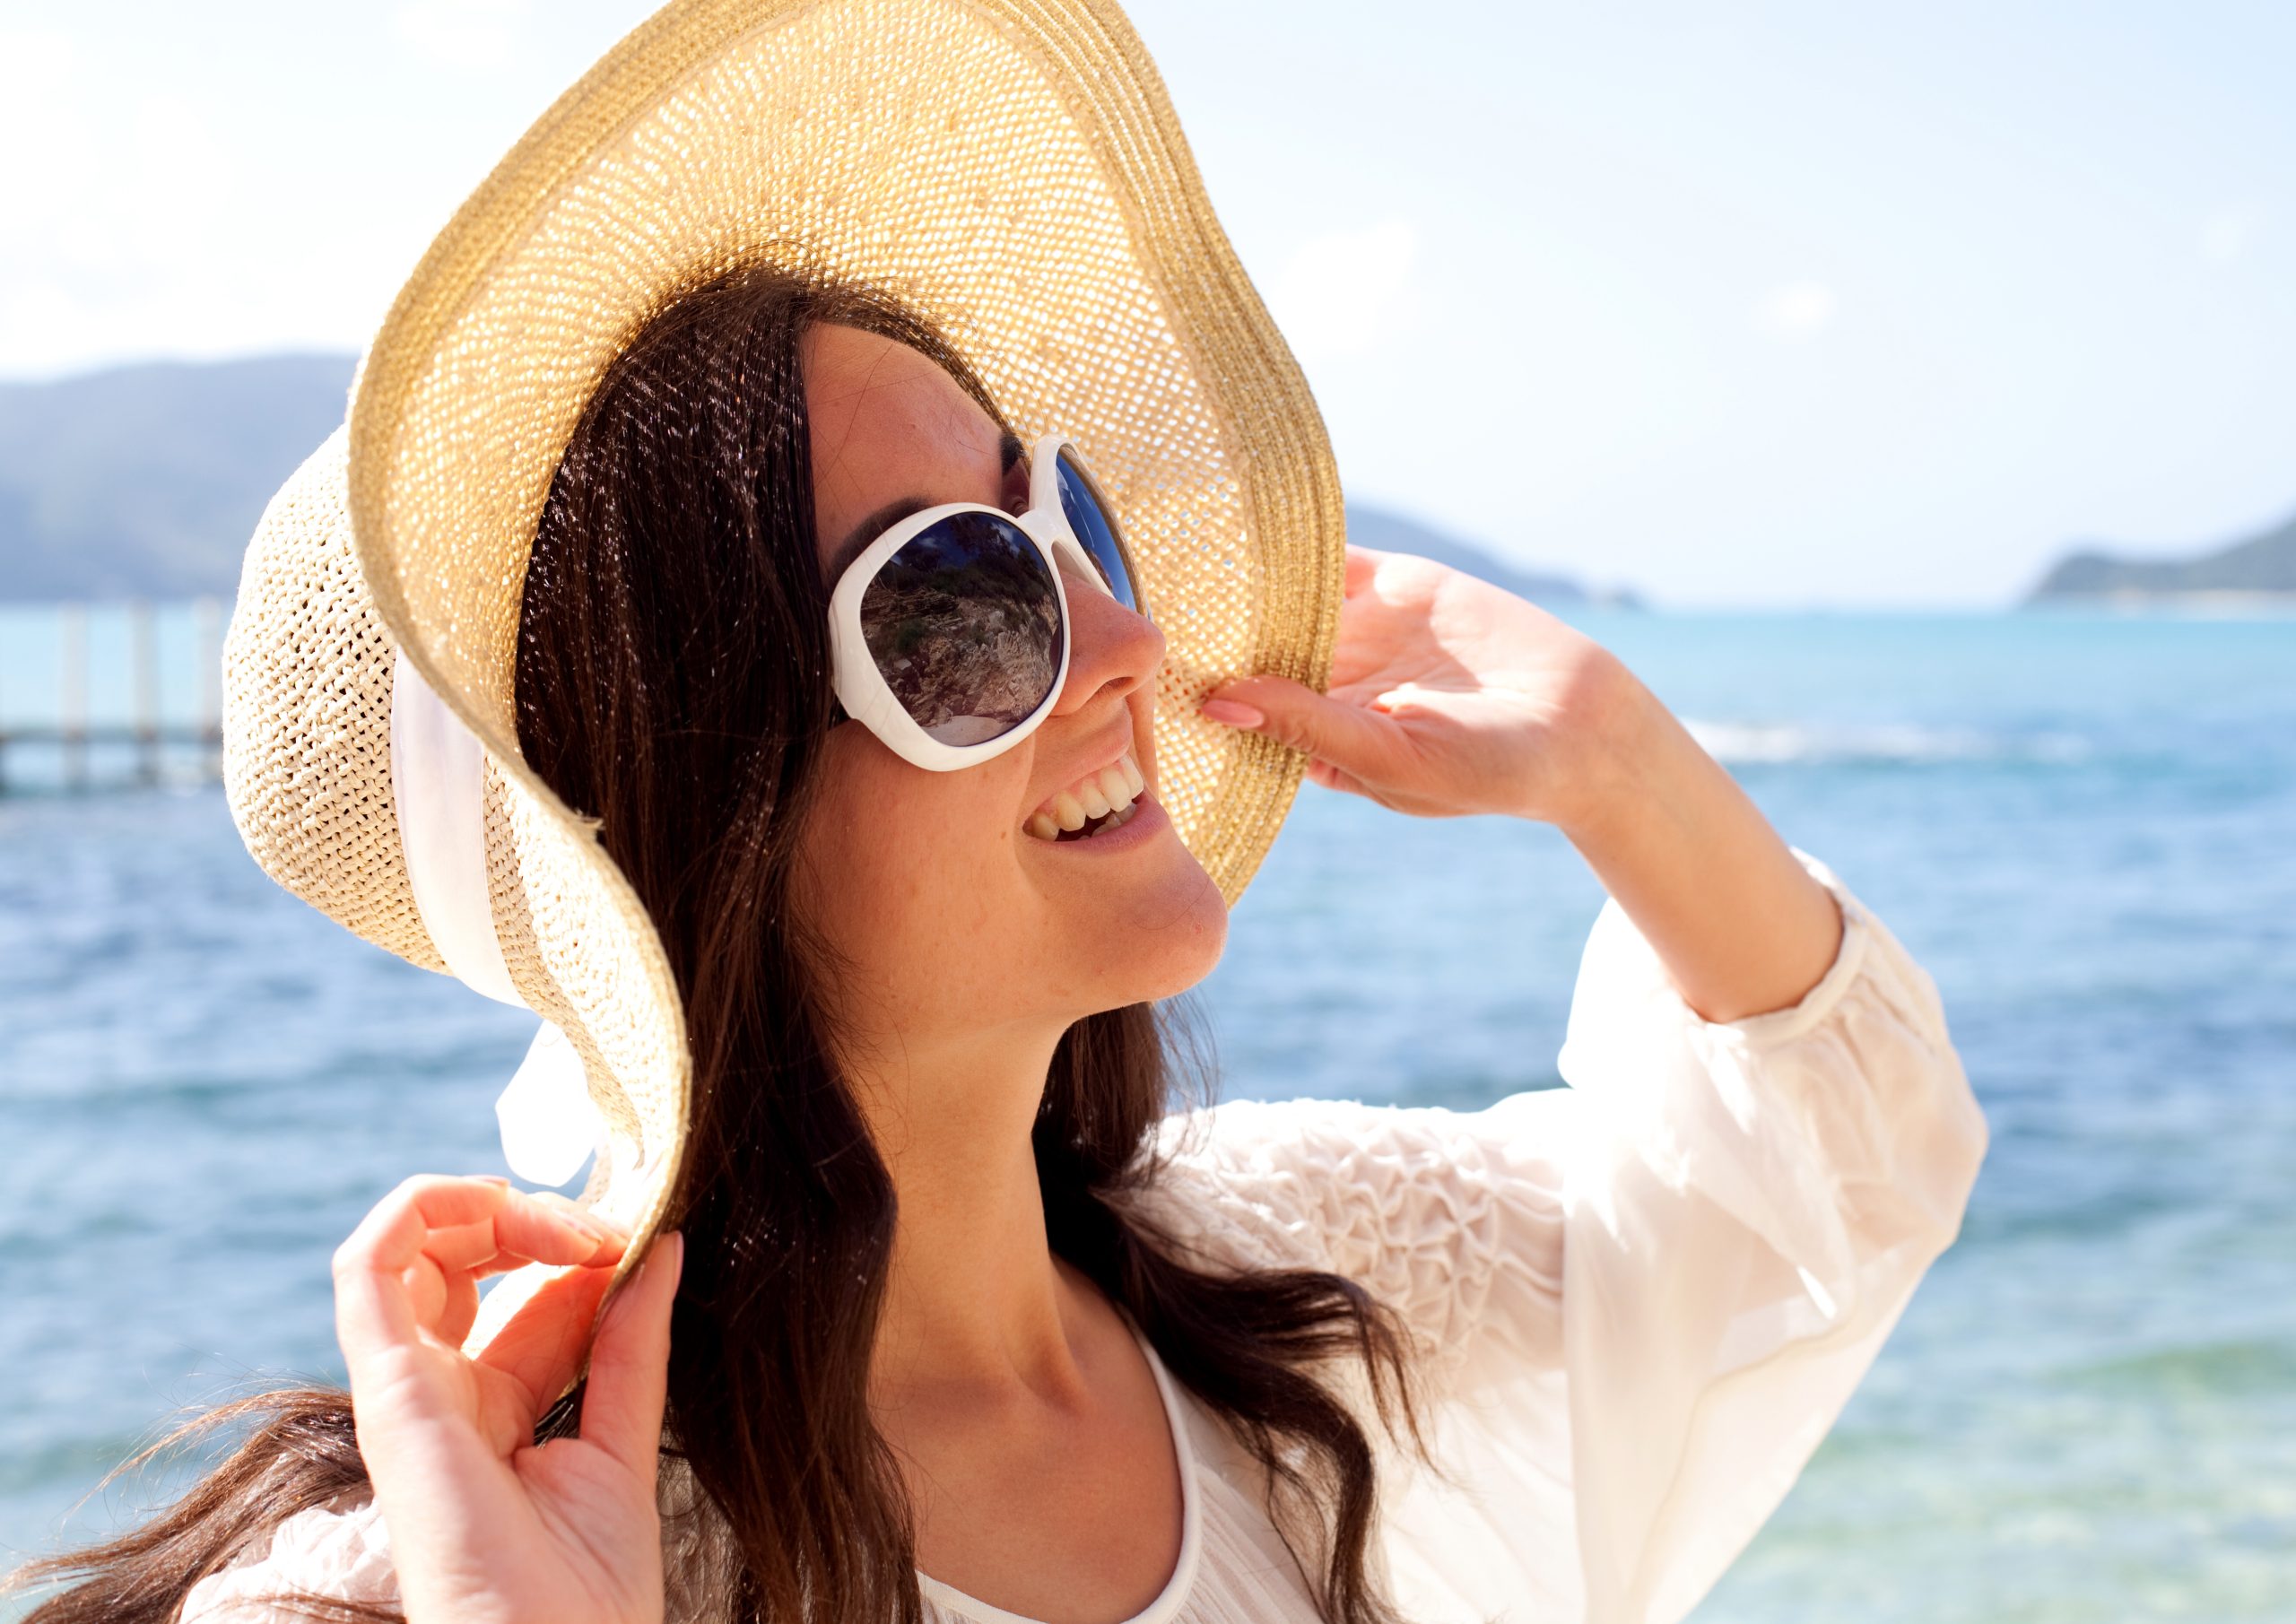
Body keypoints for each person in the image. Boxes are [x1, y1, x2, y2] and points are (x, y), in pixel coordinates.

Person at [3, 4, 1987, 1623]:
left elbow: (1810, 1189)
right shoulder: (470, 1575)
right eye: (967, 600)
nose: (1124, 637)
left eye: (1078, 527)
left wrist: (1611, 762)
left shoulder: (1303, 1302)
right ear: (695, 812)